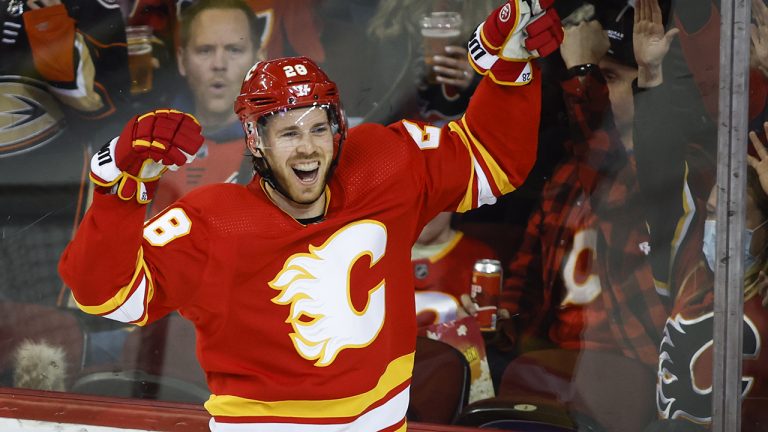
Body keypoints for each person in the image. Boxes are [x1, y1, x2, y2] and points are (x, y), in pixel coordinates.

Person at [57, 1, 564, 430]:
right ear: (255, 142)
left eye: (319, 129)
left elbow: (494, 160)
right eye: (288, 132)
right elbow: (106, 297)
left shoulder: (384, 163)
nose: (308, 149)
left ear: (337, 130)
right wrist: (119, 189)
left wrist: (511, 67)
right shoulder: (215, 220)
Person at [493, 5, 668, 431]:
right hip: (555, 362)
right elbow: (526, 270)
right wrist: (502, 325)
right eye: (598, 78)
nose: (597, 89)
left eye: (609, 79)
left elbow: (612, 181)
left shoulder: (668, 171)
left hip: (633, 370)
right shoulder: (571, 172)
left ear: (644, 85)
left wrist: (581, 69)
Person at [632, 0, 768, 428]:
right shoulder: (685, 259)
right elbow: (658, 167)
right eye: (711, 212)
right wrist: (652, 77)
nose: (713, 224)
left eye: (730, 215)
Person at [148, 0, 265, 215]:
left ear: (258, 60)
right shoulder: (146, 142)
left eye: (234, 49)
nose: (219, 64)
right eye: (205, 50)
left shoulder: (283, 145)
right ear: (182, 61)